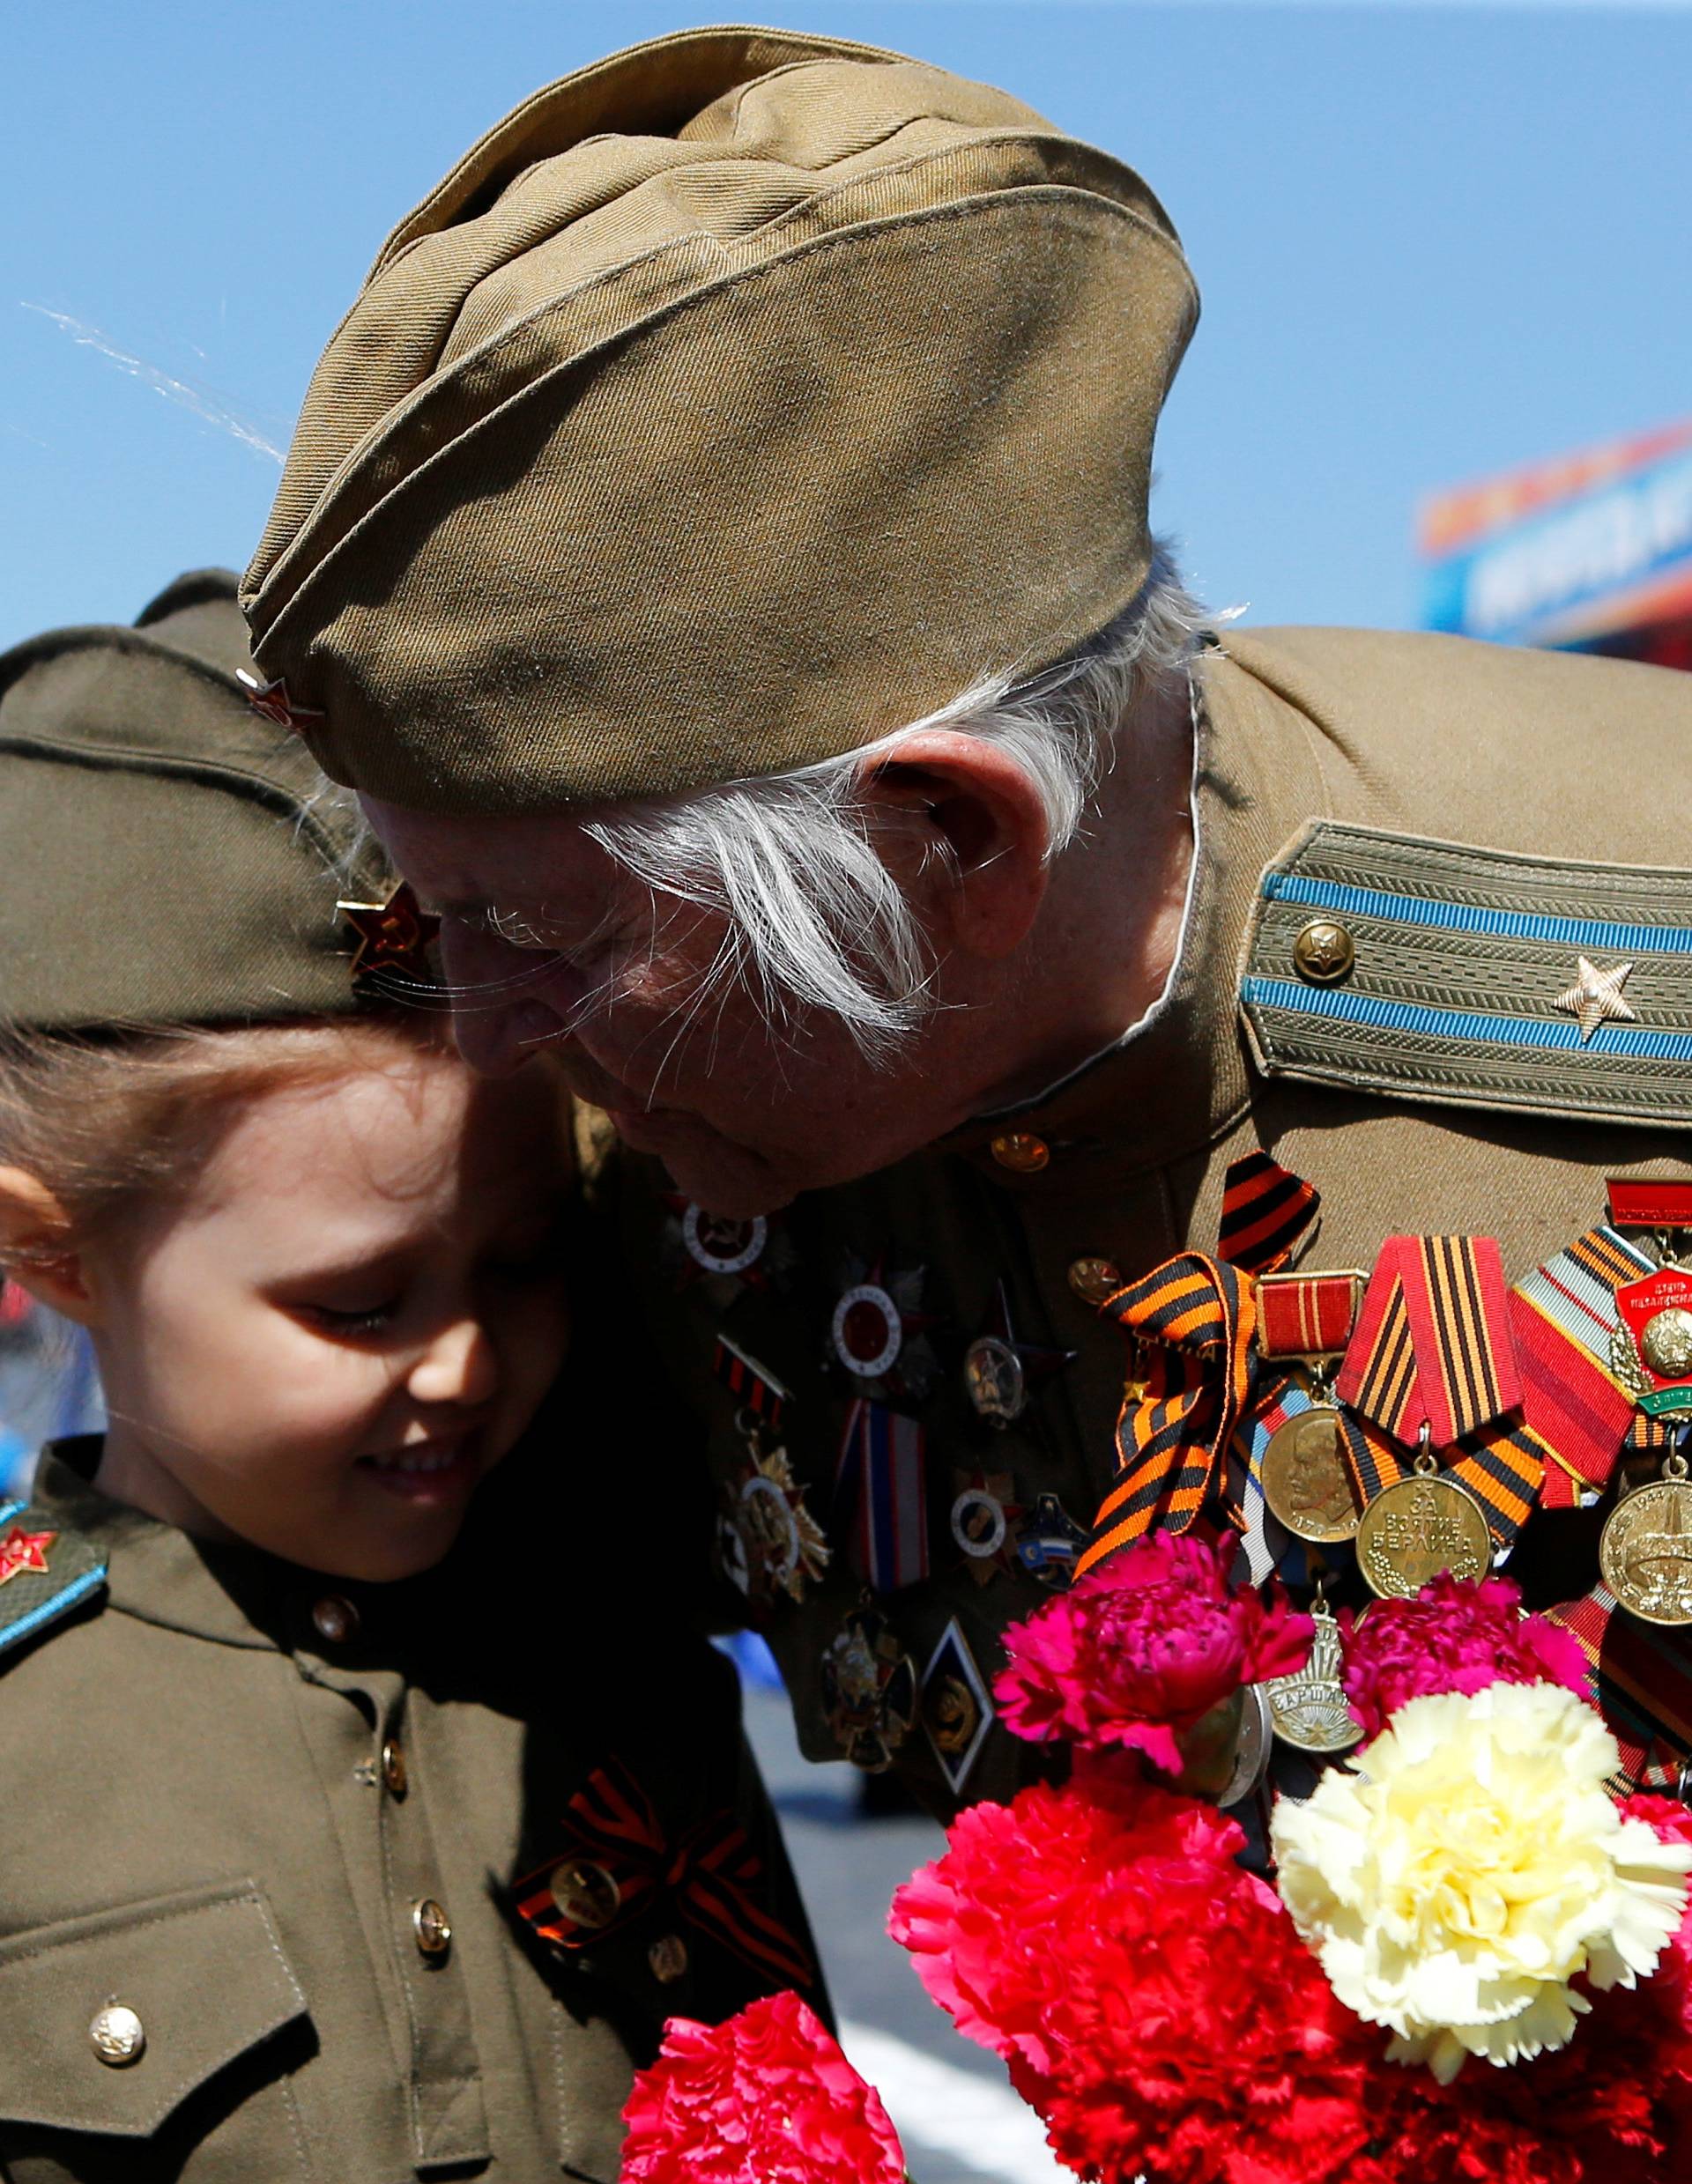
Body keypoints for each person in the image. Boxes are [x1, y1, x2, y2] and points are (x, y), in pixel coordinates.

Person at [237, 27, 1692, 1815]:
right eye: (432, 912)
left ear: (953, 836)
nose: (483, 1030)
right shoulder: (630, 1179)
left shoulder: (1642, 948)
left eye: (544, 931)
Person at [0, 571, 813, 2184]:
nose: (462, 1357)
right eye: (358, 1303)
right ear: (58, 1255)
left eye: (520, 1263)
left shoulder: (621, 1683)